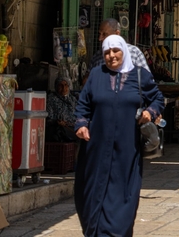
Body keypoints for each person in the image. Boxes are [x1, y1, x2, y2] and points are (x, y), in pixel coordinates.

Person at [74, 35, 164, 237]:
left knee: (123, 199)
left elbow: (158, 98)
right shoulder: (96, 75)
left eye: (116, 51)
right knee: (88, 197)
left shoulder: (139, 75)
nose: (111, 56)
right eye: (107, 52)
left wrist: (151, 111)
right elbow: (83, 105)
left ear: (124, 50)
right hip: (95, 150)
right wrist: (81, 124)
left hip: (126, 151)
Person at [46, 76, 78, 142]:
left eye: (66, 85)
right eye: (60, 85)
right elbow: (48, 119)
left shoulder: (73, 100)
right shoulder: (51, 99)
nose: (64, 88)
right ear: (56, 87)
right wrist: (57, 122)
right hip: (58, 129)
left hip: (72, 128)